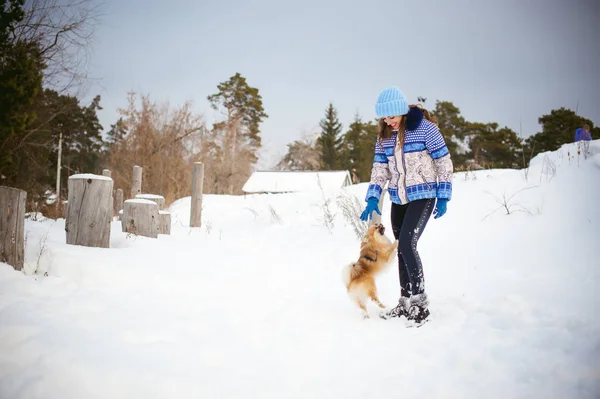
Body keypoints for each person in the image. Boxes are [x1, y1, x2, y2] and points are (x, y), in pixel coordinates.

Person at [360, 86, 453, 324]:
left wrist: (443, 194)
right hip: (398, 198)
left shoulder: (425, 129)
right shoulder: (384, 137)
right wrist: (373, 196)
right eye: (383, 117)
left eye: (391, 116)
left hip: (423, 195)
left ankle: (420, 304)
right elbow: (380, 169)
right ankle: (405, 302)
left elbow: (443, 160)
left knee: (408, 245)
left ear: (401, 111)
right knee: (400, 247)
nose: (387, 121)